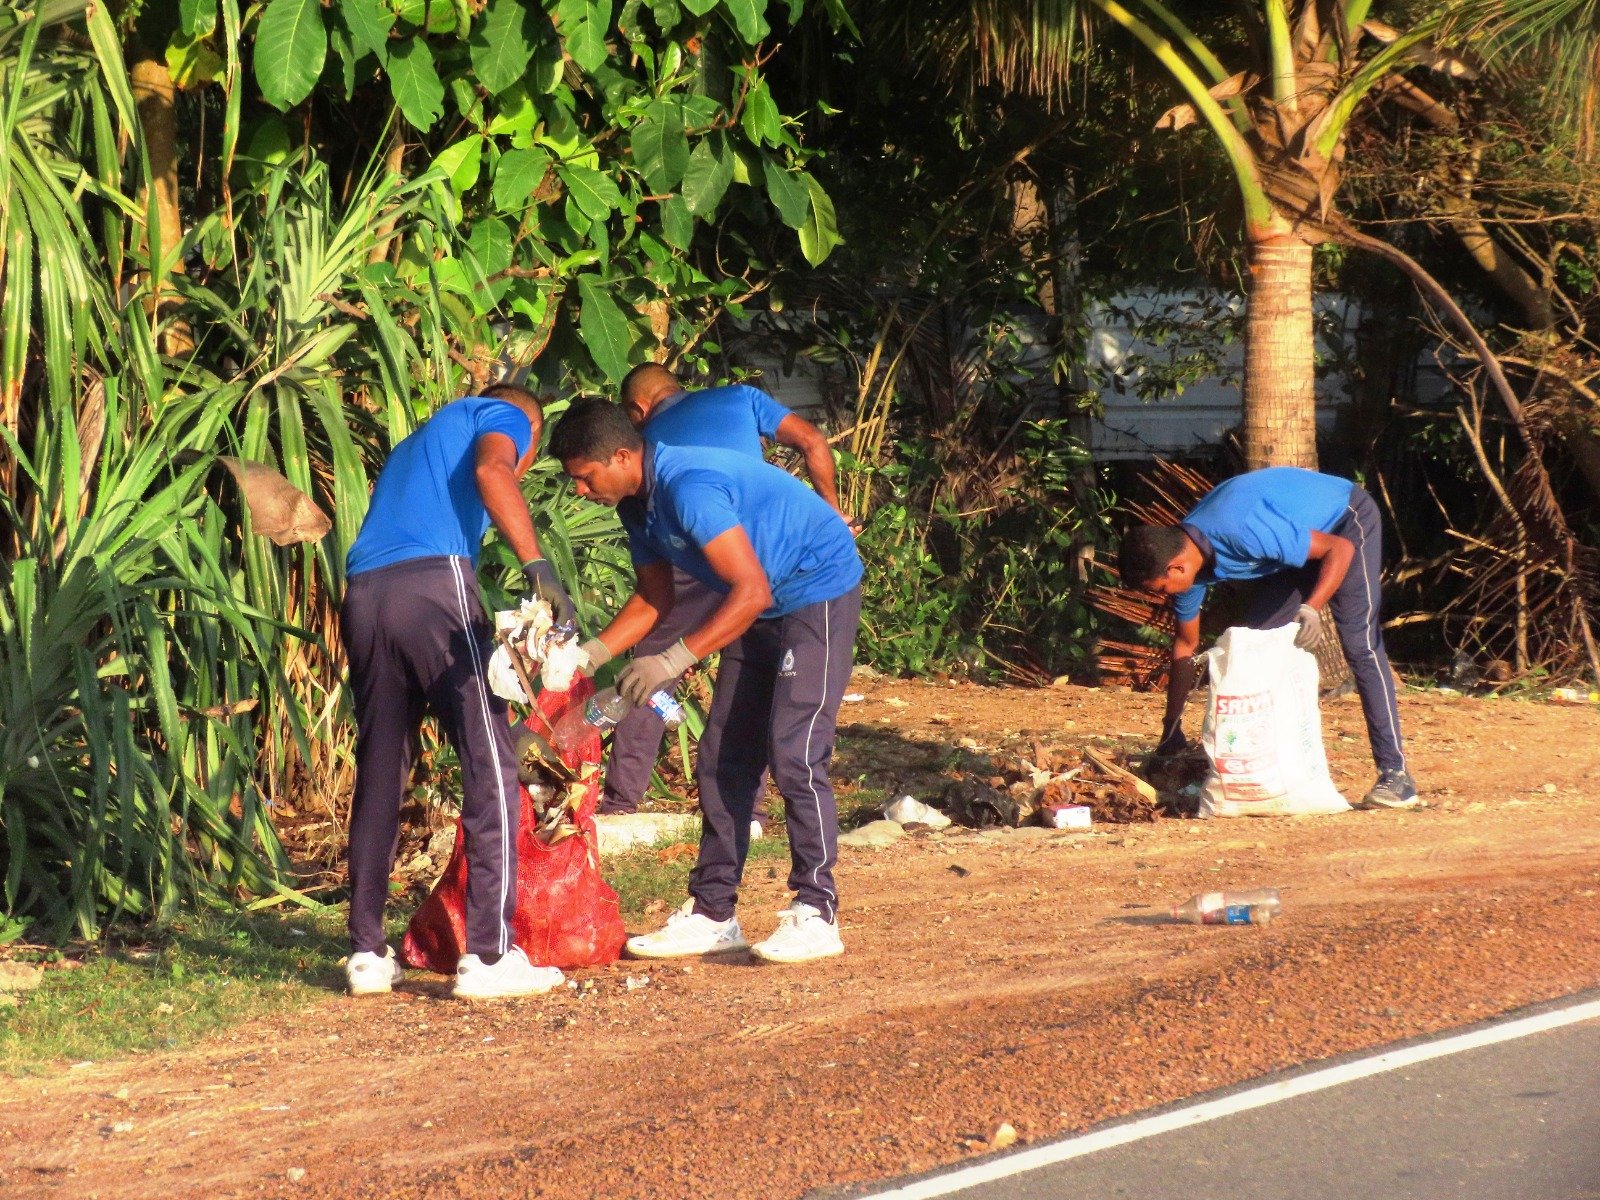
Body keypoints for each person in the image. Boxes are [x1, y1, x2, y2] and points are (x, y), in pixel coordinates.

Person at [549, 399, 863, 964]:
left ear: (622, 456)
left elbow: (752, 590)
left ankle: (817, 910)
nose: (579, 491)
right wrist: (588, 656)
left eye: (584, 477)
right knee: (722, 757)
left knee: (795, 750)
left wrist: (670, 662)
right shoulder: (635, 506)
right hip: (757, 606)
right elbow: (654, 598)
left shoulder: (688, 487)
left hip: (815, 589)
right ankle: (714, 913)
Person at [340, 383, 578, 999]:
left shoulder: (414, 444)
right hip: (434, 583)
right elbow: (493, 471)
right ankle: (491, 956)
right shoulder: (502, 415)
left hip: (364, 593)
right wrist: (540, 571)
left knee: (381, 766)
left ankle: (366, 953)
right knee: (491, 760)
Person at [601, 363, 855, 829]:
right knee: (755, 680)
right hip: (756, 557)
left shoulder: (645, 444)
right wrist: (832, 513)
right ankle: (750, 809)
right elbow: (813, 442)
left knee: (653, 664)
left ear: (637, 410)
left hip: (688, 558)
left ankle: (620, 803)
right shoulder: (739, 397)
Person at [1118, 465, 1419, 810]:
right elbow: (1185, 646)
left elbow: (1340, 550)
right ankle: (1272, 771)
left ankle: (1396, 776)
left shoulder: (1240, 530)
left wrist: (1312, 607)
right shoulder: (1186, 563)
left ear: (1176, 568)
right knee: (1256, 643)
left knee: (1360, 642)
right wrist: (1170, 731)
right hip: (1296, 546)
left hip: (1344, 522)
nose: (1163, 596)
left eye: (1160, 589)